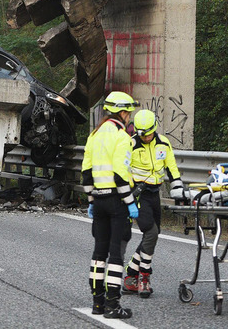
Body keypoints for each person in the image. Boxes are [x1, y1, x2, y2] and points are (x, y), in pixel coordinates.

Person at [83, 91, 140, 319]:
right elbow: (120, 175)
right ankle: (113, 306)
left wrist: (91, 200)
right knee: (116, 254)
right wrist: (131, 202)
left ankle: (97, 304)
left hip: (98, 200)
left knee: (98, 254)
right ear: (122, 112)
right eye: (129, 112)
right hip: (116, 202)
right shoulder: (122, 137)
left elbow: (86, 174)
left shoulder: (94, 135)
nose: (129, 117)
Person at [121, 109, 184, 299]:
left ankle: (130, 276)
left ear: (154, 129)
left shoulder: (164, 143)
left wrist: (178, 189)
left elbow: (172, 168)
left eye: (148, 133)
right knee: (151, 233)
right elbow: (122, 170)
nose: (146, 137)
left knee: (153, 235)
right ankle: (144, 277)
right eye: (142, 133)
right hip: (138, 194)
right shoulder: (130, 145)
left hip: (155, 194)